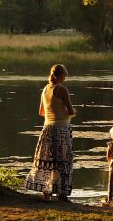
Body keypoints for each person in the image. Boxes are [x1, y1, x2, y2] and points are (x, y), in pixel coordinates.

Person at [25, 64, 76, 201]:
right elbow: (71, 111)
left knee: (49, 160)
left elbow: (41, 112)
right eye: (64, 76)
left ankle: (46, 191)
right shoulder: (62, 89)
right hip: (61, 130)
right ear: (60, 76)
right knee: (63, 161)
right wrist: (73, 112)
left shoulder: (45, 89)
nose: (65, 79)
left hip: (47, 129)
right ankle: (62, 194)